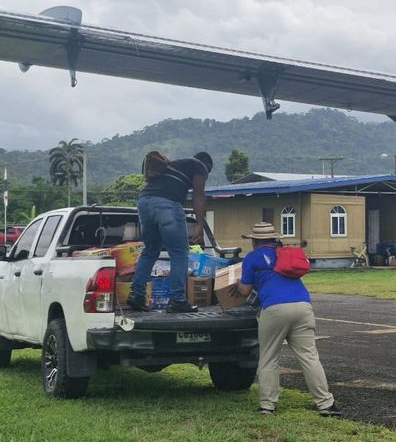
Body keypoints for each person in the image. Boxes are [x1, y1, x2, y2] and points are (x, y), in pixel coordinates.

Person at [233, 222, 341, 416]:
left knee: (269, 358)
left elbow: (245, 290)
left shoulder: (252, 257)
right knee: (309, 357)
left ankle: (267, 405)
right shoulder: (286, 253)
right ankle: (326, 404)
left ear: (254, 241)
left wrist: (237, 283)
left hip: (274, 308)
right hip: (303, 306)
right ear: (275, 238)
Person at [126, 152, 213, 314]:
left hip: (144, 201)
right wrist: (199, 225)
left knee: (150, 251)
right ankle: (177, 301)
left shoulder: (177, 164)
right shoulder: (200, 166)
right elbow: (198, 195)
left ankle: (136, 296)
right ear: (206, 166)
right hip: (166, 204)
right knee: (179, 253)